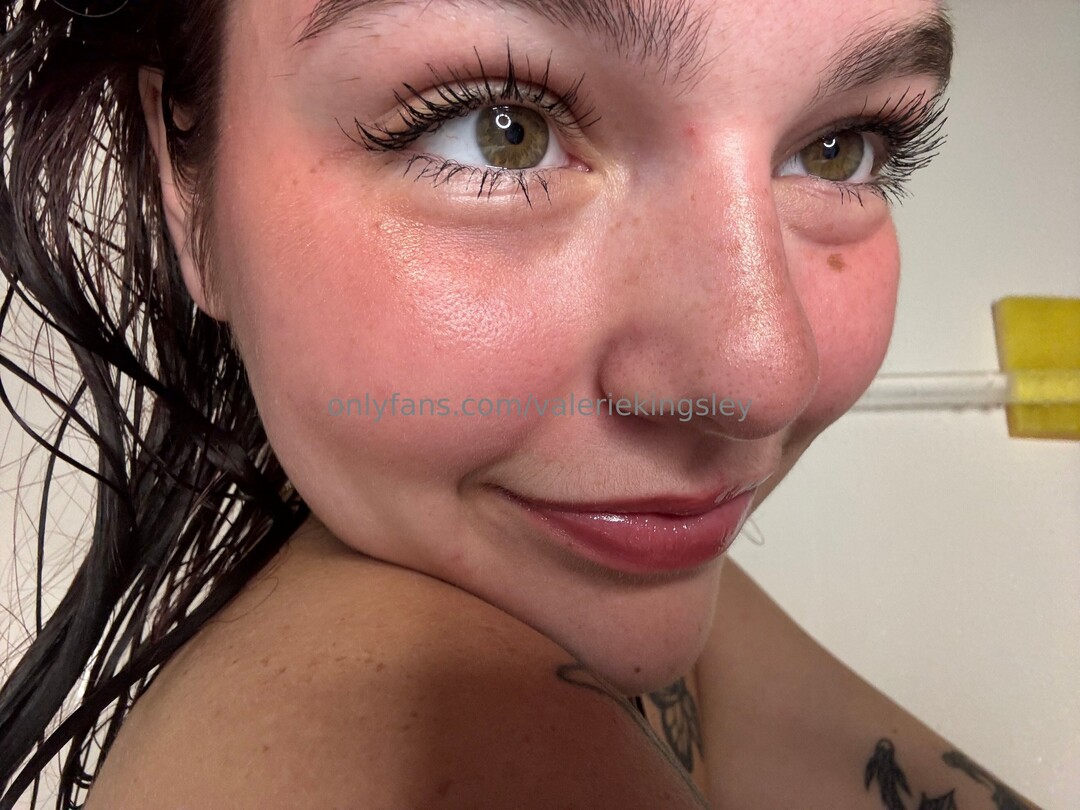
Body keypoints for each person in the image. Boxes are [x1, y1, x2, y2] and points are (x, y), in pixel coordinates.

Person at [0, 0, 1045, 807]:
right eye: (502, 131)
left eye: (841, 147)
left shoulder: (616, 574)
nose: (764, 378)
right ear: (187, 191)